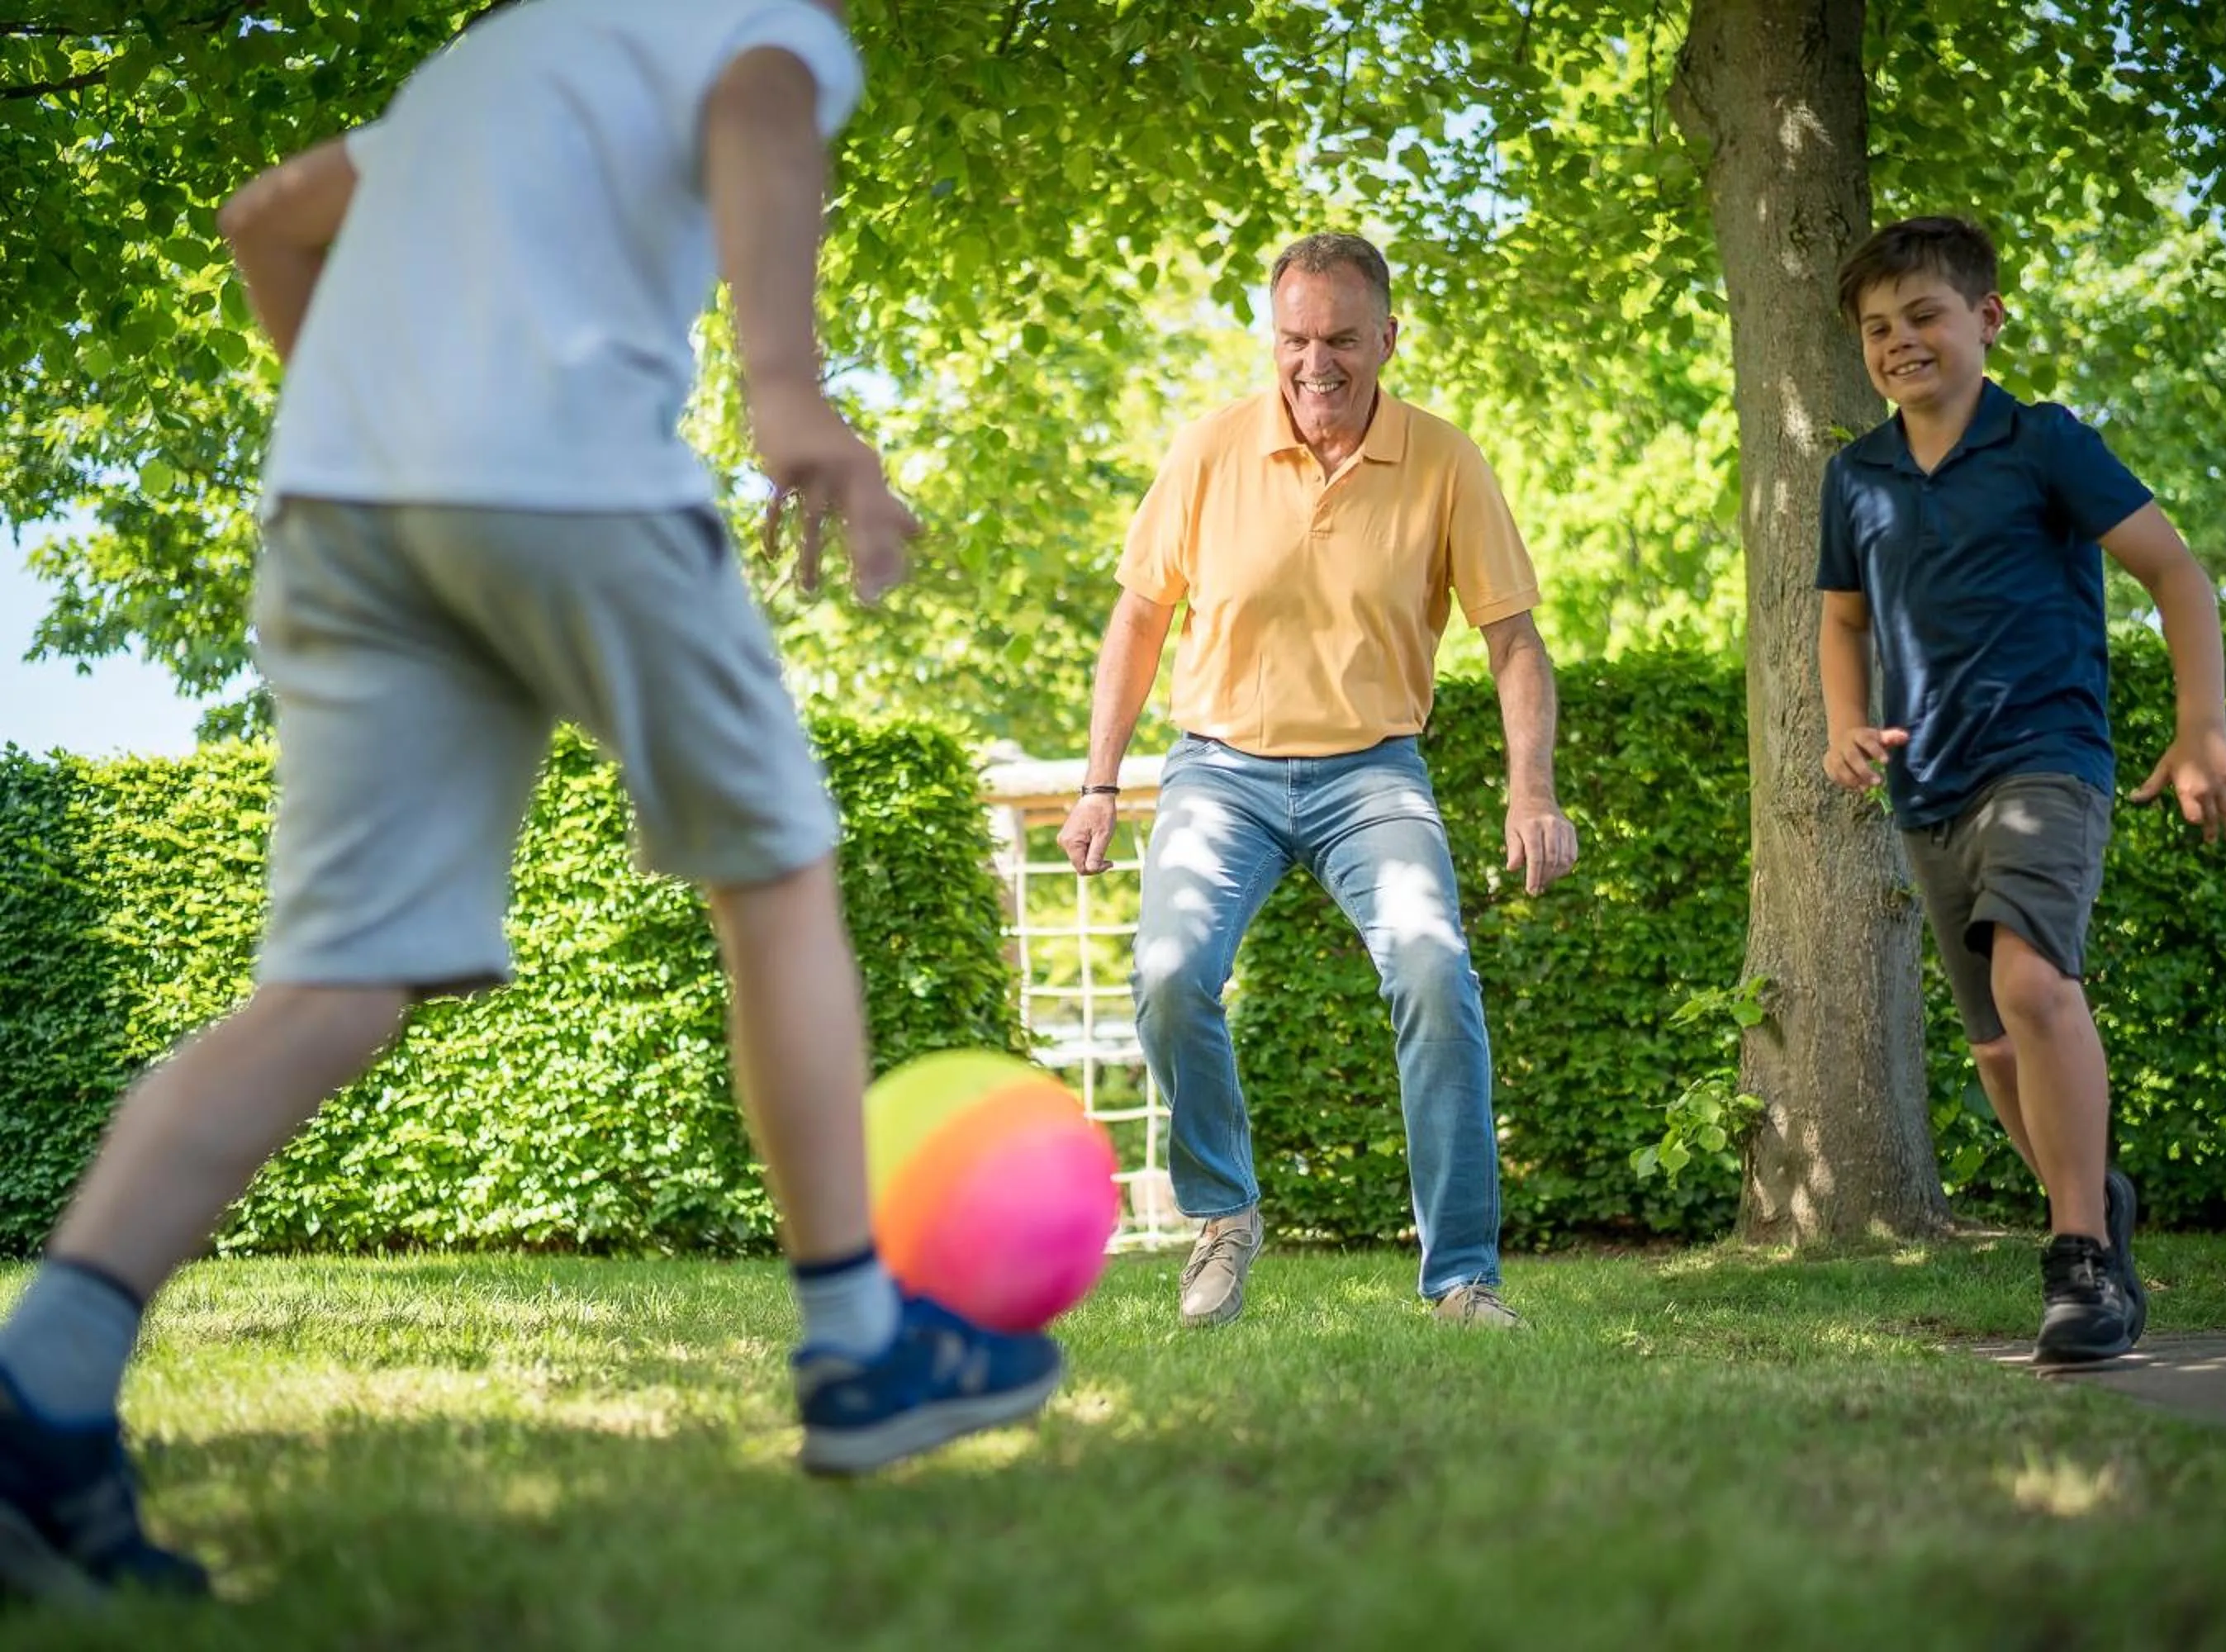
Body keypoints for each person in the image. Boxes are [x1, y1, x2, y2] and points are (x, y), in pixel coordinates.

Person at [0, 0, 1060, 1606]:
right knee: (776, 875)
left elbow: (263, 221)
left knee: (331, 985)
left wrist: (389, 435)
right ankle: (858, 1348)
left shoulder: (491, 62)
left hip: (341, 508)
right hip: (566, 477)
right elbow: (766, 113)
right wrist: (787, 392)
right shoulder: (750, 21)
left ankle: (39, 1405)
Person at [1058, 232, 1579, 1333]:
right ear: (1274, 337)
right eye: (1295, 337)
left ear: (1388, 338)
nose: (1316, 361)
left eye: (1342, 338)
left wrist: (1531, 791)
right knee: (1166, 975)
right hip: (1220, 771)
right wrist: (1101, 781)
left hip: (1372, 773)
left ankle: (1462, 1280)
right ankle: (1223, 1216)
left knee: (1436, 978)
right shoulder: (1210, 451)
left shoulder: (1444, 461)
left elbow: (1514, 642)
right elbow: (1140, 618)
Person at [1816, 216, 2226, 1365]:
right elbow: (1842, 616)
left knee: (2033, 979)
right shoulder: (1856, 476)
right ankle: (2095, 1204)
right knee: (1999, 1051)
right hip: (1926, 784)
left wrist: (2200, 725)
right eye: (1879, 328)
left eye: (1924, 315)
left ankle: (2077, 1263)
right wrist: (1842, 721)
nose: (1900, 342)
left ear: (1987, 319)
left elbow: (2175, 571)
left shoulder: (2044, 442)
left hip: (2047, 756)